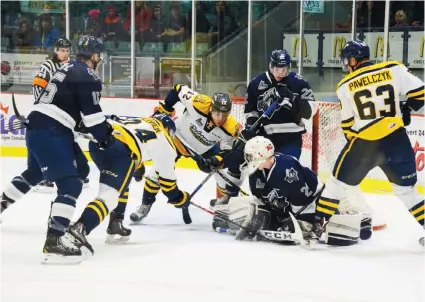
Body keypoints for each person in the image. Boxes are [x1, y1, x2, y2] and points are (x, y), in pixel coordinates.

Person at [5, 35, 112, 263]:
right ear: (94, 55)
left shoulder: (66, 67)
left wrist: (92, 127)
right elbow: (93, 119)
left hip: (38, 126)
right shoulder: (88, 75)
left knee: (45, 172)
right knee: (71, 183)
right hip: (52, 130)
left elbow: (74, 110)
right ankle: (54, 240)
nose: (99, 58)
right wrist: (106, 137)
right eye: (99, 54)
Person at [309, 41, 425, 247]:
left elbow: (347, 125)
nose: (347, 65)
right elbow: (421, 92)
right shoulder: (393, 68)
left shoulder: (345, 85)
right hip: (397, 140)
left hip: (365, 144)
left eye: (347, 61)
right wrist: (407, 110)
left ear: (353, 60)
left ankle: (315, 228)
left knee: (336, 186)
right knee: (407, 192)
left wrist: (356, 150)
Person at [210, 49, 317, 229]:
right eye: (276, 69)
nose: (279, 74)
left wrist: (292, 98)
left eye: (283, 70)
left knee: (283, 175)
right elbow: (251, 112)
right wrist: (252, 128)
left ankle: (286, 212)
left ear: (288, 68)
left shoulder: (299, 83)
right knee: (239, 158)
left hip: (290, 138)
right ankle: (230, 195)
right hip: (263, 139)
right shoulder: (256, 83)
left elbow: (310, 111)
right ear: (270, 65)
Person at [68, 114, 190, 252]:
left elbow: (109, 121)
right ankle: (80, 228)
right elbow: (168, 187)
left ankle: (116, 222)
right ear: (170, 130)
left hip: (98, 144)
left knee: (121, 184)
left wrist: (136, 167)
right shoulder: (166, 140)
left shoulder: (140, 120)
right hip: (120, 152)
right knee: (109, 195)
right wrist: (181, 199)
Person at [223, 136, 369, 247]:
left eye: (252, 157)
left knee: (337, 233)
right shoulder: (256, 173)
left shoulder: (286, 170)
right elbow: (260, 196)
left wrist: (302, 223)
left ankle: (359, 221)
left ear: (262, 154)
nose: (250, 161)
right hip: (290, 204)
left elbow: (302, 199)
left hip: (315, 200)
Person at [129, 85, 240, 224]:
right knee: (157, 172)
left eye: (224, 115)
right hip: (176, 139)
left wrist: (216, 160)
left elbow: (228, 150)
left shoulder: (230, 127)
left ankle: (223, 209)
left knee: (223, 175)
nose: (220, 118)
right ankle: (145, 206)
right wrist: (167, 108)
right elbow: (178, 88)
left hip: (204, 149)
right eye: (217, 114)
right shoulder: (199, 103)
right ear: (211, 108)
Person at [0, 38, 89, 209]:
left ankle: (3, 202)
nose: (64, 53)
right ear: (55, 50)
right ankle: (61, 203)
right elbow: (37, 89)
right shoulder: (47, 66)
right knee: (58, 169)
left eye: (67, 50)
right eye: (61, 50)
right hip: (48, 121)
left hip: (51, 123)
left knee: (34, 171)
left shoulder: (70, 67)